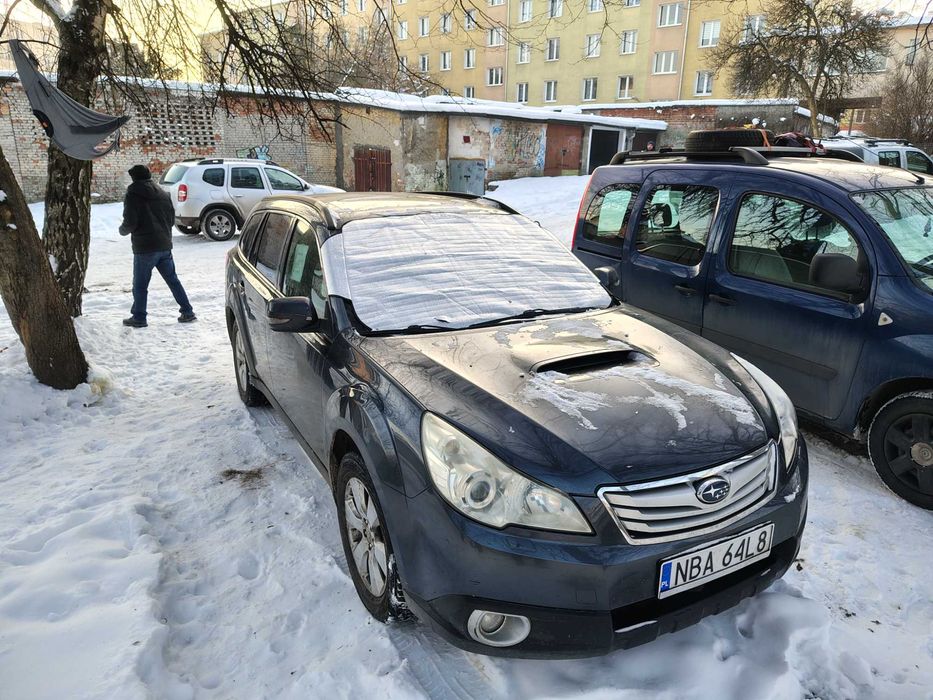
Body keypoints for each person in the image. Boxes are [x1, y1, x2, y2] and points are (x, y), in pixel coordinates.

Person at [119, 164, 195, 328]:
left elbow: (130, 222)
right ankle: (187, 311)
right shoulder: (162, 192)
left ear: (133, 178)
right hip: (164, 245)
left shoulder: (133, 194)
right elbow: (170, 217)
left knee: (140, 285)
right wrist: (165, 236)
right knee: (173, 280)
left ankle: (139, 317)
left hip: (145, 247)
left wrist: (122, 230)